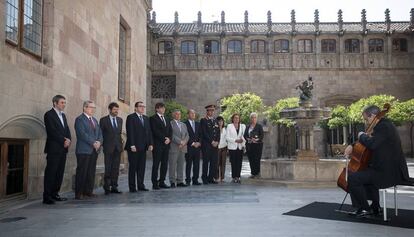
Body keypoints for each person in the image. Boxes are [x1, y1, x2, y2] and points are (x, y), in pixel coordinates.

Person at [344, 105, 410, 217]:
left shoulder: (383, 127)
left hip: (389, 173)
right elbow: (372, 140)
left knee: (353, 177)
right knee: (365, 173)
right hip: (386, 169)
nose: (367, 123)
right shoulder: (385, 125)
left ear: (373, 116)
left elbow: (372, 144)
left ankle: (365, 209)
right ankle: (375, 207)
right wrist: (353, 145)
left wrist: (360, 135)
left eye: (367, 119)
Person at [43, 95, 71, 204]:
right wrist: (63, 140)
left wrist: (68, 139)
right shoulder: (49, 114)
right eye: (62, 102)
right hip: (53, 149)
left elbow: (67, 129)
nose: (64, 104)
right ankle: (47, 197)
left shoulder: (63, 115)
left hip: (63, 149)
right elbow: (51, 131)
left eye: (65, 102)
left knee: (59, 173)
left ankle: (55, 194)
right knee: (51, 173)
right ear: (55, 103)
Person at [74, 100, 103, 200]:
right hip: (83, 150)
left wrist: (99, 142)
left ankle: (88, 191)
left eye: (94, 108)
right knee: (82, 172)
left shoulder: (94, 120)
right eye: (91, 107)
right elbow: (82, 134)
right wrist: (93, 143)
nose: (93, 109)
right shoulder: (79, 119)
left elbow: (99, 133)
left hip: (94, 151)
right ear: (85, 108)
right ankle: (79, 193)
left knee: (91, 172)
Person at [125, 101, 153, 192]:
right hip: (134, 147)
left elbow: (149, 132)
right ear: (136, 108)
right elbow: (130, 131)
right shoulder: (131, 117)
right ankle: (132, 187)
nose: (142, 108)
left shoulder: (146, 118)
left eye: (143, 106)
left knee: (141, 167)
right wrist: (132, 144)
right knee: (133, 167)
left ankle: (141, 185)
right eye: (140, 106)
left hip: (143, 147)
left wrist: (150, 144)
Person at [100, 102, 123, 195]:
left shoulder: (120, 120)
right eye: (114, 109)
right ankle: (107, 187)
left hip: (118, 148)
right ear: (109, 110)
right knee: (108, 168)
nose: (116, 111)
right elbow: (100, 134)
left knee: (115, 168)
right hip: (108, 148)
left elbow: (119, 133)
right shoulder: (103, 120)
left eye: (117, 110)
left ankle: (114, 186)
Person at [150, 102, 172, 190]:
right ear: (157, 109)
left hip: (166, 145)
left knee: (164, 164)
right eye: (161, 108)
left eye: (164, 108)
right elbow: (155, 131)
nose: (163, 109)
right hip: (158, 145)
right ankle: (154, 183)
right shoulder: (153, 118)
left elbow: (170, 130)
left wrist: (169, 139)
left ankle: (162, 181)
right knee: (156, 164)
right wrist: (164, 139)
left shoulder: (167, 119)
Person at [200, 104, 220, 184]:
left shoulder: (215, 120)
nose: (211, 112)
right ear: (207, 111)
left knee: (214, 162)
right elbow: (204, 133)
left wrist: (217, 141)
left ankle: (211, 178)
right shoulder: (203, 120)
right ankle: (204, 178)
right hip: (207, 145)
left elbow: (218, 132)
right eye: (210, 110)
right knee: (205, 162)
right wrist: (212, 141)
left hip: (215, 145)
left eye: (213, 110)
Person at [169, 110, 189, 188]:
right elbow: (171, 135)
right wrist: (180, 142)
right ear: (173, 115)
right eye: (176, 114)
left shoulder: (183, 124)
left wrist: (184, 142)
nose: (178, 115)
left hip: (183, 147)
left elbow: (187, 135)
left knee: (181, 165)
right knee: (172, 165)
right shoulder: (170, 124)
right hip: (174, 147)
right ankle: (172, 181)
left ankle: (180, 181)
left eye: (179, 114)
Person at [226, 114, 246, 183]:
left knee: (239, 163)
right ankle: (234, 177)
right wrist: (235, 140)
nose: (236, 119)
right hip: (232, 147)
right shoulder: (229, 126)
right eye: (235, 118)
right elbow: (227, 137)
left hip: (240, 147)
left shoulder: (243, 126)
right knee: (233, 162)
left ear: (239, 119)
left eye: (238, 118)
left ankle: (238, 176)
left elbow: (244, 136)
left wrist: (242, 141)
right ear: (233, 119)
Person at [184, 109, 202, 185]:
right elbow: (185, 135)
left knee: (197, 164)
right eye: (191, 113)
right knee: (188, 164)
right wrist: (192, 143)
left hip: (197, 147)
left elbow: (201, 134)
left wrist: (199, 142)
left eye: (194, 113)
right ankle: (188, 180)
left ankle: (195, 180)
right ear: (188, 114)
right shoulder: (184, 124)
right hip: (189, 147)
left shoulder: (198, 124)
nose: (193, 115)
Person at [244, 112, 264, 178]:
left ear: (256, 118)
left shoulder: (259, 126)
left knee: (256, 159)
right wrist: (248, 139)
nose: (253, 119)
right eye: (252, 117)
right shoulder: (248, 126)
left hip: (257, 145)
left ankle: (257, 173)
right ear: (250, 119)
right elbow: (245, 135)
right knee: (251, 159)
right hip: (250, 145)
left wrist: (257, 139)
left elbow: (262, 135)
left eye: (255, 117)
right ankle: (253, 173)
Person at [216, 116, 228, 182]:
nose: (220, 122)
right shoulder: (215, 129)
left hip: (224, 148)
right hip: (217, 148)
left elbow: (227, 138)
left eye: (222, 121)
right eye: (219, 121)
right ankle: (217, 177)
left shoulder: (225, 129)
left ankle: (222, 177)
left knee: (223, 163)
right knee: (217, 163)